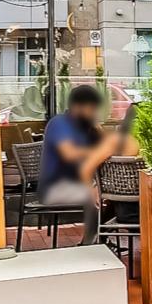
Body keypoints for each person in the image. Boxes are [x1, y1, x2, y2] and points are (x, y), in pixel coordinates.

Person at [38, 84, 138, 244]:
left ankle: (96, 239)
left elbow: (108, 145)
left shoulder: (85, 127)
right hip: (55, 187)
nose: (94, 112)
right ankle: (91, 243)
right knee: (102, 198)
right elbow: (69, 153)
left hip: (76, 182)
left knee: (114, 196)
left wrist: (98, 131)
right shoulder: (59, 123)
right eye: (91, 108)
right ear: (77, 107)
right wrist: (100, 153)